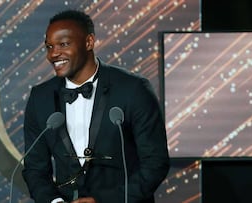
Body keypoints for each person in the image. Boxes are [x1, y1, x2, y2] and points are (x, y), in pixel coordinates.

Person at [22, 9, 169, 203]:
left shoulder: (133, 89)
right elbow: (34, 168)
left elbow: (155, 163)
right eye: (49, 46)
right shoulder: (40, 98)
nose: (54, 54)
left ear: (89, 42)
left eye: (63, 44)